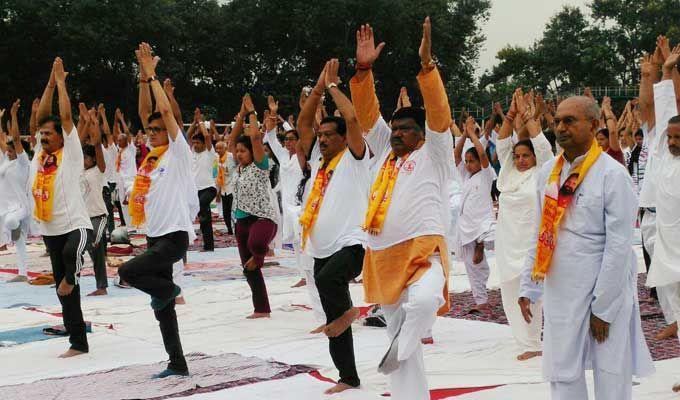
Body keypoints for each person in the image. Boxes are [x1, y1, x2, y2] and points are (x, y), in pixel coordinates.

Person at [518, 95, 654, 400]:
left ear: (593, 125)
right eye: (557, 122)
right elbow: (541, 232)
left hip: (604, 288)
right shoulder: (548, 174)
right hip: (561, 289)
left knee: (611, 374)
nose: (561, 128)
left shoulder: (612, 174)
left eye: (570, 121)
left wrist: (603, 307)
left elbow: (618, 245)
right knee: (562, 371)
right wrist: (529, 286)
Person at [352, 18, 453, 399]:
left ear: (422, 135)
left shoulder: (434, 153)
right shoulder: (383, 155)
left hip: (422, 250)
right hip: (382, 255)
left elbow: (440, 114)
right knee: (399, 344)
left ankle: (406, 342)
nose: (396, 134)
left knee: (426, 299)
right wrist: (363, 71)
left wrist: (427, 68)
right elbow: (366, 115)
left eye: (406, 129)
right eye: (394, 130)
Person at [118, 43, 199, 378]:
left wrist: (153, 78)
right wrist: (141, 78)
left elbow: (166, 114)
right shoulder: (149, 158)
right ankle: (177, 363)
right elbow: (143, 114)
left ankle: (168, 290)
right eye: (148, 131)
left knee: (128, 272)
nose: (151, 133)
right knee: (163, 311)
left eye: (157, 129)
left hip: (174, 236)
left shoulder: (178, 153)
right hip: (154, 236)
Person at [297, 58, 370, 395]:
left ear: (343, 139)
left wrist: (332, 86)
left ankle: (352, 311)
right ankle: (348, 376)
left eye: (329, 134)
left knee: (329, 283)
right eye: (321, 134)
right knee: (333, 316)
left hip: (352, 242)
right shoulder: (316, 161)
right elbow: (302, 122)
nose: (322, 139)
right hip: (320, 248)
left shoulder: (355, 158)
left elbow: (352, 117)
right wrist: (316, 85)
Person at [32, 58, 93, 358]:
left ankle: (73, 276)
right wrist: (47, 84)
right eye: (41, 134)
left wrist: (60, 84)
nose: (43, 137)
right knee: (64, 292)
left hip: (77, 226)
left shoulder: (70, 152)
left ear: (61, 136)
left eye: (48, 134)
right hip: (50, 230)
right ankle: (78, 342)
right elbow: (42, 115)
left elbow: (65, 115)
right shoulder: (38, 156)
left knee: (72, 258)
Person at [494, 88, 554, 361]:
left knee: (533, 291)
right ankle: (524, 340)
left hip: (532, 240)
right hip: (507, 241)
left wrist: (529, 118)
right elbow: (503, 142)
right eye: (517, 156)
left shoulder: (542, 173)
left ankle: (535, 342)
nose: (520, 160)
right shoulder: (506, 174)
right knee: (509, 290)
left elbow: (542, 146)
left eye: (525, 156)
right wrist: (510, 115)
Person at [644, 46, 680, 395]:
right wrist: (665, 72)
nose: (671, 143)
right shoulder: (664, 154)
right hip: (668, 248)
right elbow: (667, 110)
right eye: (669, 137)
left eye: (678, 139)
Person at [226, 94, 279, 320]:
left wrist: (252, 113)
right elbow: (231, 140)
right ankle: (261, 309)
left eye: (242, 151)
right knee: (248, 269)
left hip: (263, 219)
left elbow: (256, 138)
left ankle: (259, 255)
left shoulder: (260, 166)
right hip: (241, 222)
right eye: (237, 151)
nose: (238, 154)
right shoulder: (237, 168)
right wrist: (240, 113)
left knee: (256, 244)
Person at [261, 96, 308, 288]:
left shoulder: (305, 156)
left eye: (292, 139)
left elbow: (306, 134)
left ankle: (310, 272)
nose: (288, 143)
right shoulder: (282, 155)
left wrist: (289, 123)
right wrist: (272, 114)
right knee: (295, 242)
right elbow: (271, 138)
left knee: (304, 240)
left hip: (302, 204)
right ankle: (303, 274)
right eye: (287, 140)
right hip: (287, 205)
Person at [453, 116, 496, 314]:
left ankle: (480, 246)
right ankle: (481, 300)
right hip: (466, 226)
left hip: (481, 226)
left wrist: (472, 134)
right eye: (467, 162)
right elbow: (456, 155)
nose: (468, 164)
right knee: (471, 267)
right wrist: (463, 135)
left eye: (472, 161)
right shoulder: (466, 176)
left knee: (477, 263)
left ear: (480, 162)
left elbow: (483, 154)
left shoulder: (486, 175)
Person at [0, 100, 31, 282]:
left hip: (20, 208)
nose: (8, 151)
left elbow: (16, 140)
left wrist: (13, 115)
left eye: (12, 150)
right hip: (6, 207)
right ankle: (23, 274)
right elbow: (2, 141)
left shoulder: (22, 163)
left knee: (12, 222)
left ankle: (16, 228)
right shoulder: (7, 161)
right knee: (19, 244)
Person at [80, 109, 109, 296]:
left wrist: (93, 122)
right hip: (82, 217)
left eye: (86, 157)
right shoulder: (79, 172)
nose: (83, 160)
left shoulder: (98, 170)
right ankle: (100, 286)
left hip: (98, 216)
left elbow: (97, 144)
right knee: (85, 248)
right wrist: (83, 119)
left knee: (95, 244)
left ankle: (102, 287)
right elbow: (75, 143)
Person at [190, 111, 218, 252]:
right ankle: (209, 246)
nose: (195, 145)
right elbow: (186, 137)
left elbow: (207, 136)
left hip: (209, 188)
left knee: (202, 208)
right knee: (204, 218)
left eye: (197, 142)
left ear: (203, 143)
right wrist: (194, 122)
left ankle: (208, 245)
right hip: (196, 190)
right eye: (194, 142)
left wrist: (200, 121)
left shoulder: (209, 151)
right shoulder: (193, 153)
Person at [215, 140, 235, 235]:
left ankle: (236, 229)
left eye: (220, 148)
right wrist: (218, 192)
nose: (218, 150)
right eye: (216, 148)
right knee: (226, 212)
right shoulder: (217, 159)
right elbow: (218, 176)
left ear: (225, 148)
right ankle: (229, 230)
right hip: (223, 189)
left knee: (233, 211)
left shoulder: (231, 156)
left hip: (232, 189)